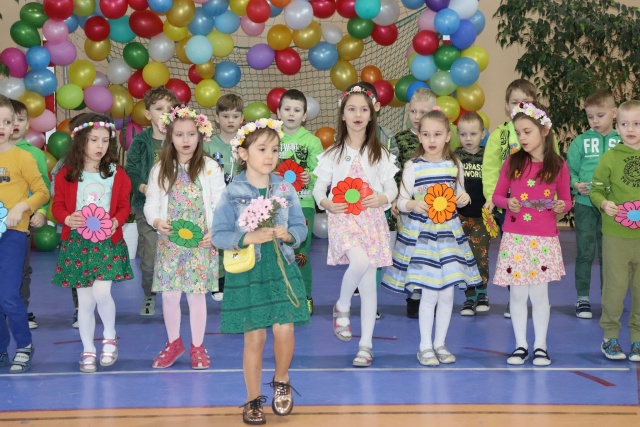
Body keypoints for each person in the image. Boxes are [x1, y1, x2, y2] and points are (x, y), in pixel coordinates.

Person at [212, 119, 310, 424]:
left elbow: (300, 226)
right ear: (243, 153)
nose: (270, 156)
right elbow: (218, 234)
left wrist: (289, 235)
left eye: (275, 150)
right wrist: (246, 238)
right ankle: (252, 399)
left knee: (285, 329)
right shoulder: (232, 191)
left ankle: (282, 379)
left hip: (282, 266)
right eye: (262, 149)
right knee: (254, 338)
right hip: (249, 271)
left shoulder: (285, 188)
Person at [382, 109, 481, 366]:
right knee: (428, 294)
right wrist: (412, 205)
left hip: (449, 236)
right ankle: (425, 346)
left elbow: (460, 196)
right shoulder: (413, 166)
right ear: (419, 137)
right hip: (423, 238)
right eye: (426, 135)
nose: (432, 139)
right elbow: (401, 201)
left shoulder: (454, 165)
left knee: (447, 294)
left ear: (447, 136)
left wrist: (464, 198)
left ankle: (440, 344)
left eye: (437, 134)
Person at [313, 85, 399, 367]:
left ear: (372, 115)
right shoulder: (333, 154)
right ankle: (342, 305)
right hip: (343, 220)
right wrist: (326, 203)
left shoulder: (380, 153)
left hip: (372, 222)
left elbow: (391, 188)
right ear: (343, 115)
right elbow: (318, 189)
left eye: (364, 109)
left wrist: (383, 198)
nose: (358, 114)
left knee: (370, 286)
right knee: (359, 262)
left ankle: (366, 346)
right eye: (352, 109)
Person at [144, 105, 226, 370]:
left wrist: (214, 232)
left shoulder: (210, 167)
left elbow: (220, 204)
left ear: (200, 135)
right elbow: (151, 203)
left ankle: (198, 346)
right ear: (170, 137)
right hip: (170, 242)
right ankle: (174, 343)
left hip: (201, 243)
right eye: (179, 134)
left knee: (196, 295)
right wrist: (157, 221)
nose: (186, 140)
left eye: (191, 134)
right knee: (169, 295)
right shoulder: (160, 168)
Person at [51, 113, 133, 373]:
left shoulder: (117, 174)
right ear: (80, 141)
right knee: (85, 301)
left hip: (106, 242)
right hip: (78, 243)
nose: (100, 146)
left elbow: (124, 206)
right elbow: (58, 205)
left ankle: (109, 336)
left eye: (105, 141)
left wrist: (117, 221)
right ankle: (88, 349)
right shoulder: (66, 174)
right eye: (94, 140)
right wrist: (67, 218)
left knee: (101, 292)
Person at [492, 102, 571, 366]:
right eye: (518, 133)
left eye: (527, 132)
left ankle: (540, 346)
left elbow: (567, 201)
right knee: (517, 295)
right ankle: (520, 345)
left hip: (544, 239)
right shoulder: (512, 162)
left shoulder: (558, 165)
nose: (522, 138)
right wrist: (508, 203)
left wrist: (561, 206)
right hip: (515, 237)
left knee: (539, 296)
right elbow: (497, 196)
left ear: (544, 130)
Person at [482, 79, 557, 318]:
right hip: (509, 205)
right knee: (514, 255)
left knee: (537, 253)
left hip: (538, 208)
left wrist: (555, 200)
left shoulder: (545, 134)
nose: (520, 106)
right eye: (515, 102)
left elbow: (554, 167)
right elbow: (490, 167)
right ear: (507, 106)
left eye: (525, 102)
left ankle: (538, 297)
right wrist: (491, 196)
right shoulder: (499, 135)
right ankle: (514, 298)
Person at [0, 95, 49, 373]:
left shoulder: (23, 157)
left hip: (13, 235)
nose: (2, 127)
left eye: (7, 122)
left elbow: (42, 192)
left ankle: (24, 345)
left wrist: (23, 206)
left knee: (8, 295)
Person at [590, 99, 640, 362]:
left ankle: (637, 339)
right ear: (617, 127)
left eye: (637, 124)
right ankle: (610, 337)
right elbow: (596, 189)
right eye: (624, 124)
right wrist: (603, 203)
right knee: (615, 288)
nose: (630, 129)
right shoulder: (609, 157)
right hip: (616, 236)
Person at [567, 89, 620, 319]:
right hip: (585, 206)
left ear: (614, 113)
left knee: (610, 256)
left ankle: (608, 300)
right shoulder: (580, 142)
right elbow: (570, 170)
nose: (595, 121)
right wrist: (576, 184)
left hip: (613, 209)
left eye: (600, 115)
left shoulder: (623, 141)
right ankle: (582, 298)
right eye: (590, 117)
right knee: (585, 253)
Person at [126, 86, 178, 316]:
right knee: (149, 258)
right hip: (147, 209)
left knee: (176, 255)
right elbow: (131, 170)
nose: (165, 113)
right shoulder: (140, 142)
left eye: (170, 108)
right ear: (148, 114)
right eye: (159, 109)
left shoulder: (180, 140)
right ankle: (150, 294)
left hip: (176, 209)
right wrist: (144, 187)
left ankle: (173, 294)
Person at [276, 89, 324, 315]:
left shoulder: (313, 141)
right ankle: (281, 296)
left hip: (303, 204)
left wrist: (310, 176)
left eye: (297, 110)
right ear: (278, 112)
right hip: (275, 205)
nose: (291, 114)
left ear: (305, 115)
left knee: (300, 251)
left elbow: (321, 172)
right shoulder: (272, 138)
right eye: (287, 109)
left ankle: (305, 296)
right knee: (275, 251)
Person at [9, 100, 51, 330]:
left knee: (21, 269)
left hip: (21, 223)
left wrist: (41, 211)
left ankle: (20, 311)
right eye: (9, 119)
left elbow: (43, 187)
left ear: (27, 125)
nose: (15, 124)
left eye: (21, 119)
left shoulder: (34, 154)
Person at [204, 94, 244, 302]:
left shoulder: (246, 144)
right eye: (226, 116)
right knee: (217, 240)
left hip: (241, 203)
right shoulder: (208, 145)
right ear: (217, 118)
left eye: (235, 116)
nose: (230, 120)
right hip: (217, 203)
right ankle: (218, 280)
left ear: (242, 119)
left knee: (239, 240)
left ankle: (237, 278)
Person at [455, 112, 492, 315]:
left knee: (480, 255)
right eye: (463, 134)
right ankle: (469, 296)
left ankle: (482, 292)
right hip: (459, 216)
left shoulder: (488, 156)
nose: (468, 139)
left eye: (473, 134)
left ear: (482, 134)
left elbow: (495, 181)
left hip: (482, 215)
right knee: (464, 256)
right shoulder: (454, 157)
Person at [50, 156, 80, 328]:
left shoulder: (108, 166)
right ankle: (79, 309)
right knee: (76, 272)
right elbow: (55, 193)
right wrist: (67, 216)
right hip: (73, 229)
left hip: (99, 231)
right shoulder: (65, 165)